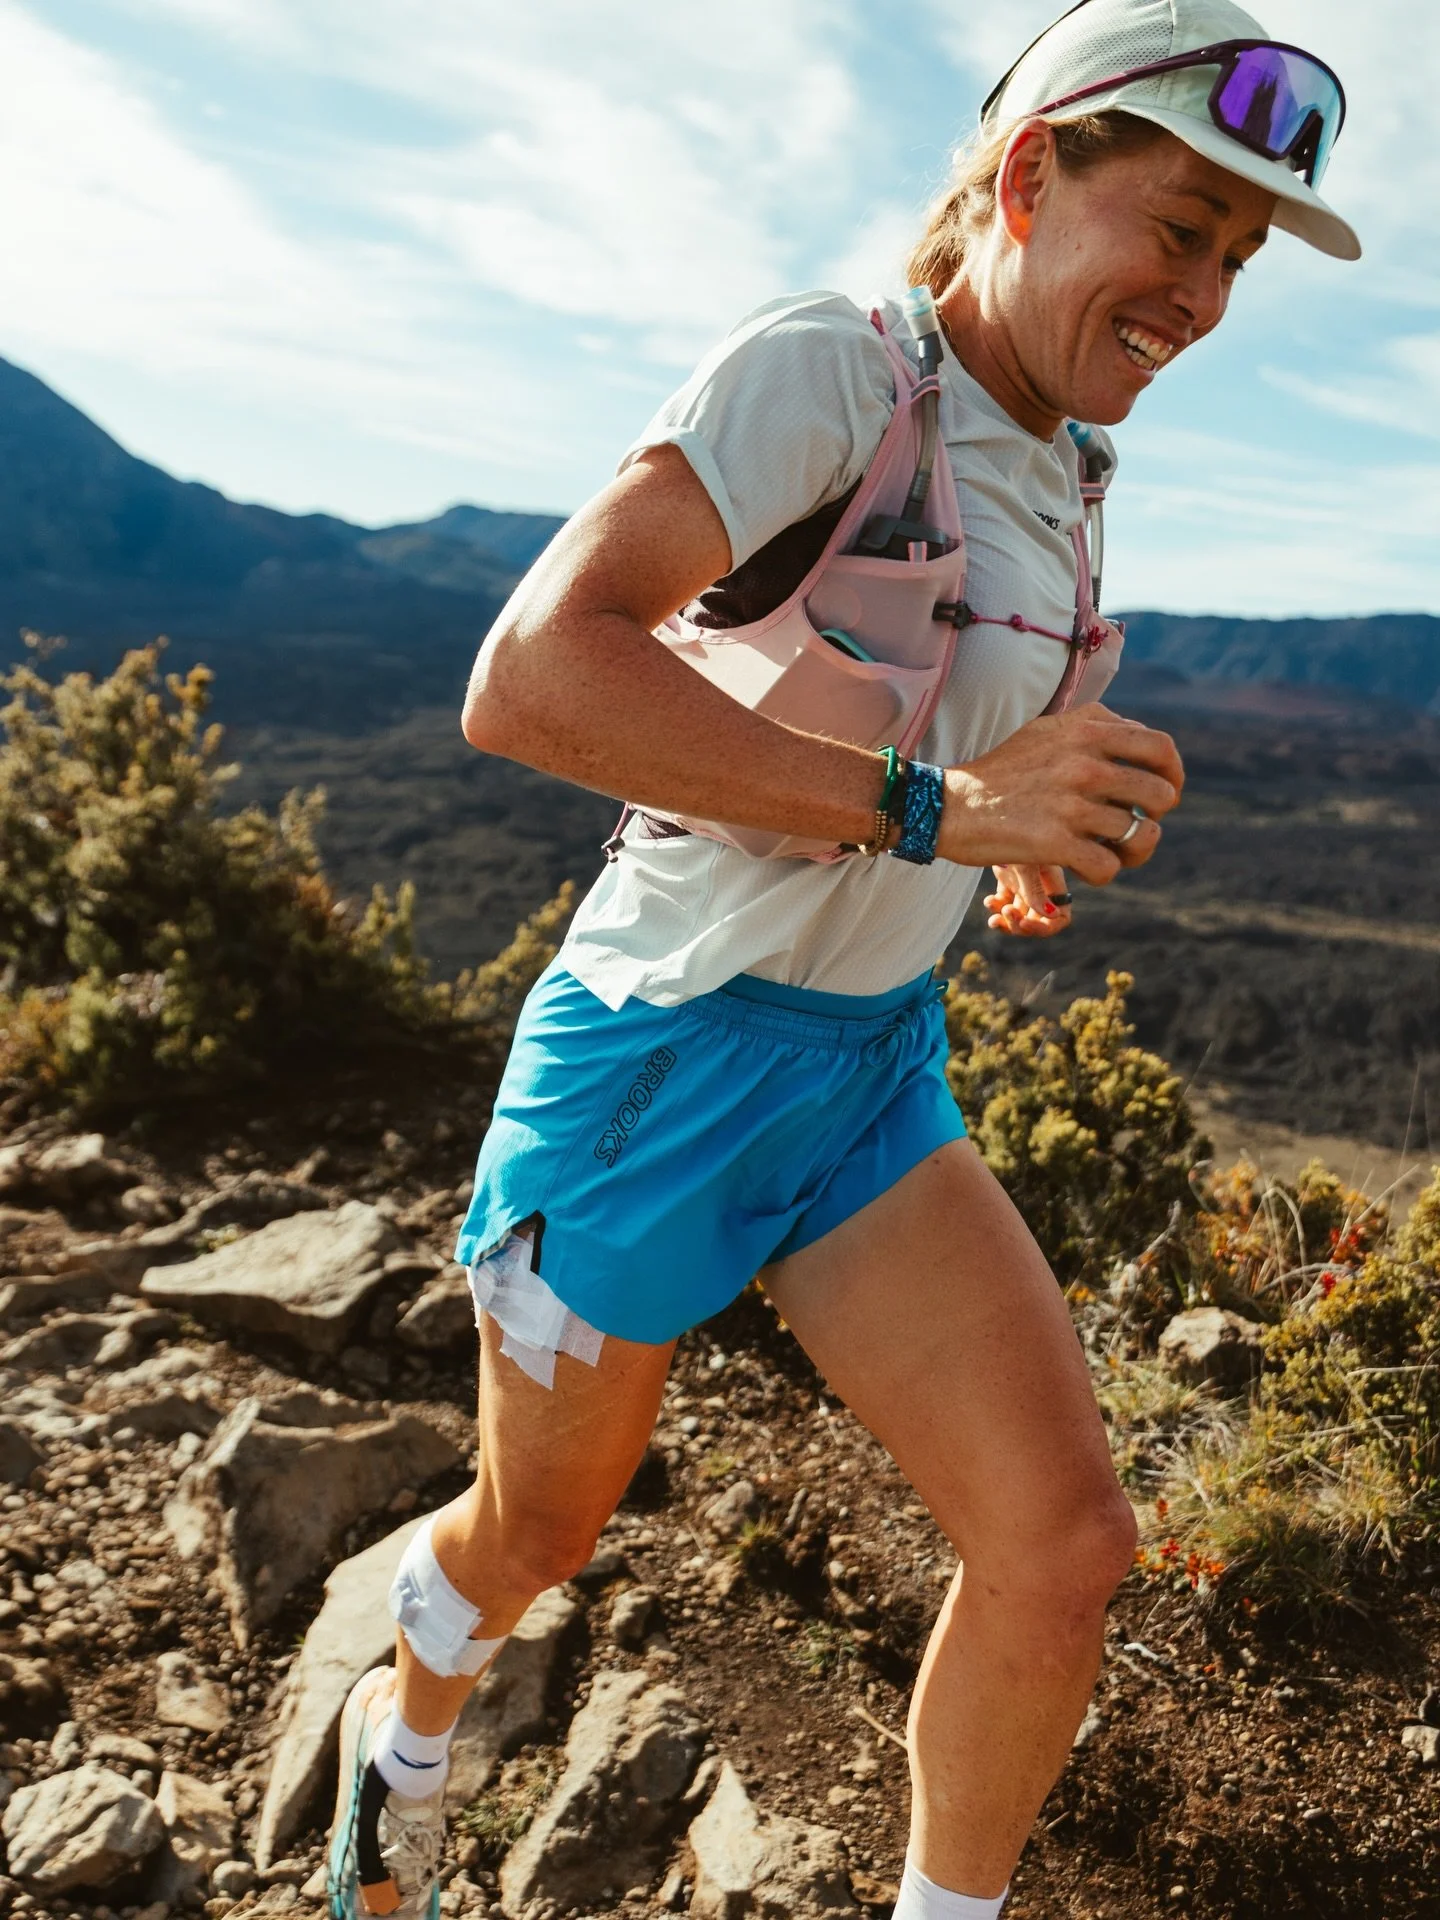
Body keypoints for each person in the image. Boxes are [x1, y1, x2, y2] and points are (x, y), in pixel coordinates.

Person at [328, 1, 1358, 1915]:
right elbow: (531, 675)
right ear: (1034, 172)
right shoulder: (834, 370)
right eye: (1184, 227)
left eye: (1238, 260)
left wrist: (1013, 844)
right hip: (661, 1063)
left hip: (868, 1067)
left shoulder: (1068, 461)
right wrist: (940, 814)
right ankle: (408, 1731)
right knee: (538, 1532)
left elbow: (937, 750)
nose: (1205, 295)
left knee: (1063, 1544)